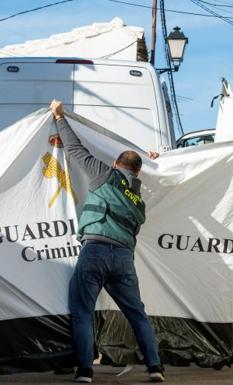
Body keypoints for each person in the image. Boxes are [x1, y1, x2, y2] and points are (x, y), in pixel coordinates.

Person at [50, 100, 164, 383]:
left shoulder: (105, 176)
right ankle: (155, 368)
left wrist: (59, 117)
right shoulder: (139, 201)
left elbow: (77, 150)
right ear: (137, 172)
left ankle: (86, 371)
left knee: (82, 311)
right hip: (123, 259)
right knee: (137, 314)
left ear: (116, 164)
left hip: (95, 252)